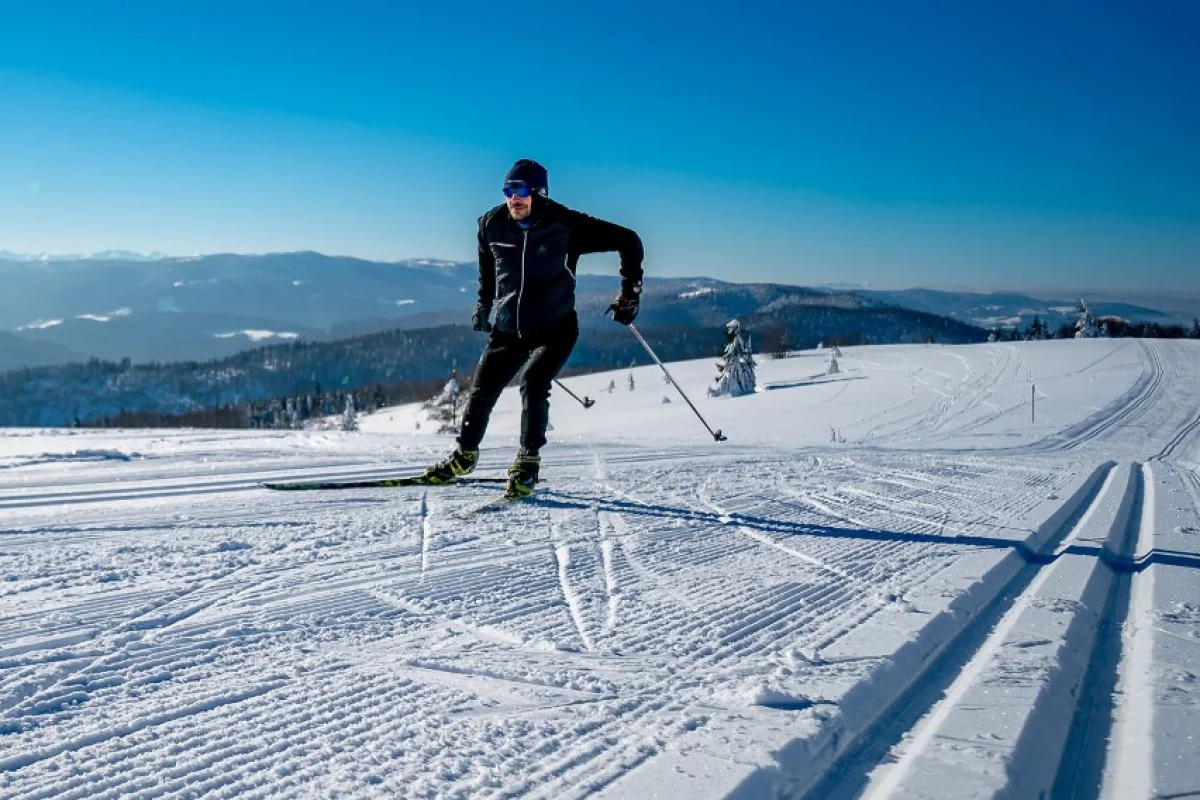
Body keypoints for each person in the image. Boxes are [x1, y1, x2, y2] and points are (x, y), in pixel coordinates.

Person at [423, 159, 644, 497]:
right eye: (509, 190)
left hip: (555, 330)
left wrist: (630, 293)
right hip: (509, 329)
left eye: (522, 191)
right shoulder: (490, 224)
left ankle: (528, 460)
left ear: (539, 193)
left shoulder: (566, 224)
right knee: (482, 389)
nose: (514, 198)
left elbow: (629, 240)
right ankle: (464, 456)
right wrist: (483, 305)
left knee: (534, 381)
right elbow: (489, 273)